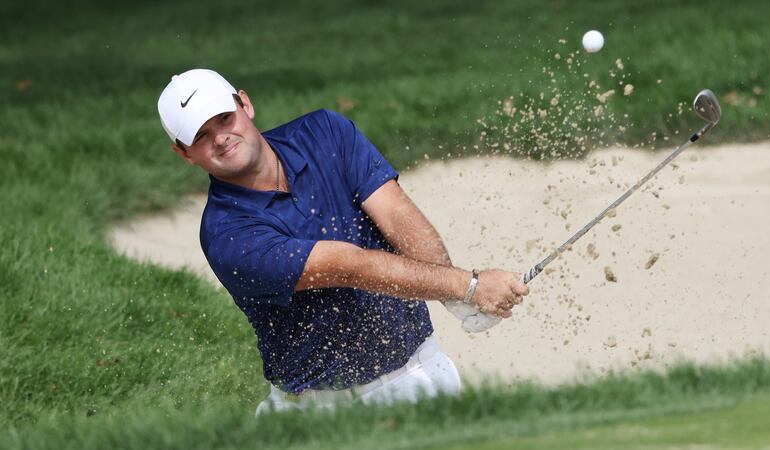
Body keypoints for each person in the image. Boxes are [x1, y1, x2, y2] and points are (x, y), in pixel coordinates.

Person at [157, 68, 529, 414]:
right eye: (200, 136)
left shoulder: (324, 133)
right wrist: (469, 286)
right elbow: (350, 267)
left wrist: (453, 295)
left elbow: (397, 216)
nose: (221, 138)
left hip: (421, 373)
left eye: (224, 118)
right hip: (320, 413)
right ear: (184, 153)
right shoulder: (227, 235)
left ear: (245, 104)